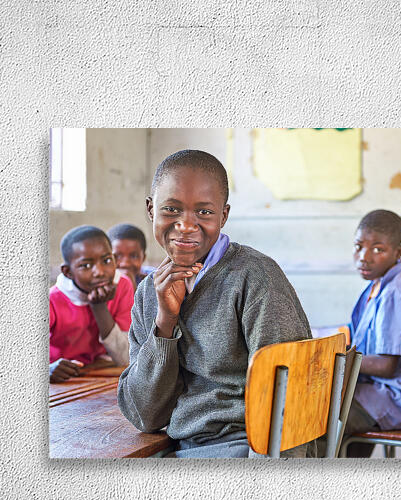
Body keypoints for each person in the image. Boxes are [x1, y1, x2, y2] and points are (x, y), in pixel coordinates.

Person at [117, 150, 312, 458]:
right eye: (171, 209)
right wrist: (165, 323)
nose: (185, 225)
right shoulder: (146, 294)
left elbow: (292, 397)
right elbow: (145, 416)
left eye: (204, 213)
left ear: (223, 215)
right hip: (182, 447)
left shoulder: (256, 278)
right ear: (151, 209)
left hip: (246, 448)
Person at [340, 210, 401, 458]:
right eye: (358, 246)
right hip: (377, 390)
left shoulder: (397, 291)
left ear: (397, 253)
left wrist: (339, 359)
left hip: (396, 398)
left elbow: (386, 366)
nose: (364, 257)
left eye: (378, 249)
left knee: (317, 416)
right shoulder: (379, 284)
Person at [49, 226, 134, 382]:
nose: (99, 272)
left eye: (107, 260)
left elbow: (125, 357)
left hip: (102, 370)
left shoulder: (122, 286)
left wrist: (99, 307)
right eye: (86, 266)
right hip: (61, 377)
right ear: (68, 272)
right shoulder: (53, 300)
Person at [108, 223, 151, 288]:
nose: (125, 264)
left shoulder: (154, 279)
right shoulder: (101, 283)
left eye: (134, 256)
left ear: (143, 258)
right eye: (117, 256)